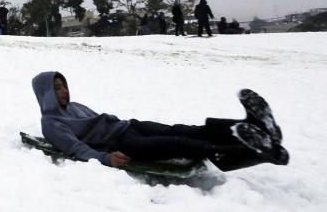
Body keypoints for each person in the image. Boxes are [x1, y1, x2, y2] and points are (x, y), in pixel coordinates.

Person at [31, 71, 288, 171]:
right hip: (122, 142)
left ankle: (251, 127)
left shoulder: (75, 106)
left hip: (128, 126)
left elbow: (102, 121)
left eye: (64, 85)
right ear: (45, 93)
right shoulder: (51, 123)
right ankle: (254, 152)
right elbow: (75, 148)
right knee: (176, 142)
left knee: (186, 130)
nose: (63, 91)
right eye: (57, 87)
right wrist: (104, 158)